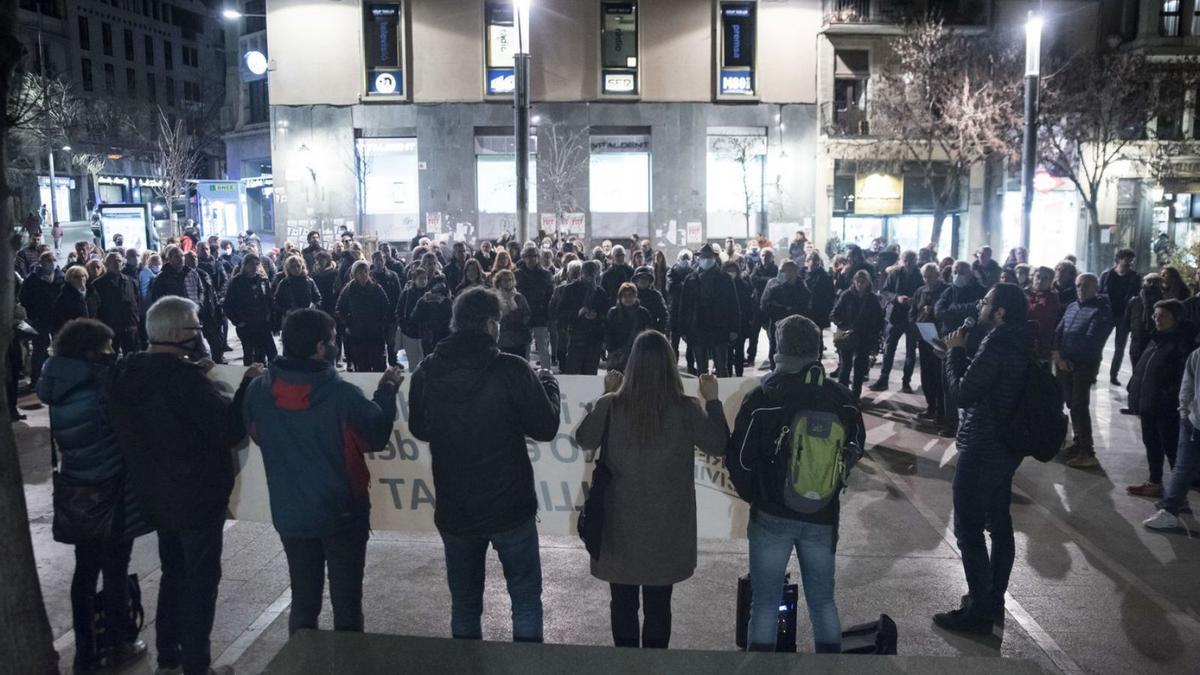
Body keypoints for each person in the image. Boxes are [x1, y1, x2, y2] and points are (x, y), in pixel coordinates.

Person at [108, 297, 261, 675]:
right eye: (196, 329)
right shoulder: (184, 379)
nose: (201, 336)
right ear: (178, 334)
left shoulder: (126, 374)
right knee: (200, 580)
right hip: (197, 495)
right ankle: (196, 664)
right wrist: (246, 386)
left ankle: (169, 656)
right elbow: (228, 429)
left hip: (154, 494)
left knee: (173, 572)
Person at [408, 287, 561, 643]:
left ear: (455, 323)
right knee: (524, 600)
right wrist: (549, 385)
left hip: (456, 506)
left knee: (464, 605)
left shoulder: (427, 371)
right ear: (491, 324)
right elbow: (546, 428)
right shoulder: (512, 369)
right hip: (510, 505)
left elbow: (419, 428)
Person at [244, 309, 402, 635]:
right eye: (332, 340)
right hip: (341, 514)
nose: (336, 345)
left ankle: (302, 663)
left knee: (303, 600)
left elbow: (258, 434)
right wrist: (387, 391)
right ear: (320, 347)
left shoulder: (259, 391)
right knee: (346, 603)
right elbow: (375, 437)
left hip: (290, 512)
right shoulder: (342, 396)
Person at [574, 332, 728, 648]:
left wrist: (606, 394)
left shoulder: (612, 405)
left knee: (622, 602)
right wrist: (712, 400)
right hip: (668, 525)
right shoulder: (686, 408)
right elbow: (718, 444)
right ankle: (654, 664)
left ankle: (627, 664)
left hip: (619, 524)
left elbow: (585, 440)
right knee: (659, 605)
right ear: (671, 366)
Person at [727, 315, 864, 653]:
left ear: (780, 347)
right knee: (823, 603)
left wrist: (755, 495)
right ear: (816, 348)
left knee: (765, 604)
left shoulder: (763, 396)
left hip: (771, 513)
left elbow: (741, 459)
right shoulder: (840, 397)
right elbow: (856, 445)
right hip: (822, 514)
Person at [39, 319, 150, 672]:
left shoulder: (58, 383)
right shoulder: (100, 384)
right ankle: (120, 642)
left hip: (77, 490)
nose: (113, 352)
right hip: (111, 489)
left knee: (84, 573)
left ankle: (85, 653)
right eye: (107, 347)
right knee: (116, 570)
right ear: (90, 352)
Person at [933, 283, 1031, 634]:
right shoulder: (1022, 340)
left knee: (969, 530)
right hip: (1006, 447)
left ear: (1000, 312)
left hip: (982, 446)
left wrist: (954, 353)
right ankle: (993, 598)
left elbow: (962, 393)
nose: (980, 306)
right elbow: (988, 382)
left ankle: (979, 611)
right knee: (999, 526)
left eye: (985, 302)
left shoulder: (999, 342)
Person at [1125, 300, 1193, 497]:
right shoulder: (1156, 338)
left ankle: (1179, 497)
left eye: (1162, 316)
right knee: (1151, 443)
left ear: (1176, 318)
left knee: (1172, 449)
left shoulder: (1182, 343)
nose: (1157, 320)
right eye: (1155, 316)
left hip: (1166, 407)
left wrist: (1168, 397)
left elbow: (1183, 377)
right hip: (1149, 404)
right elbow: (1143, 369)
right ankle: (1155, 482)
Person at [1054, 273, 1114, 469]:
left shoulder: (1101, 310)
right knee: (1071, 402)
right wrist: (1060, 356)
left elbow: (1092, 340)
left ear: (1095, 288)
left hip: (1083, 364)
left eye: (1086, 286)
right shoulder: (1072, 306)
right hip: (1064, 363)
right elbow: (1059, 331)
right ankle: (1078, 442)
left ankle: (1087, 450)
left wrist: (1070, 359)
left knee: (1080, 404)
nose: (1081, 289)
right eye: (1079, 285)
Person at [1144, 341, 1200, 530]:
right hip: (1194, 423)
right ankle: (1170, 511)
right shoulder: (1197, 355)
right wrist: (1184, 412)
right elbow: (1188, 384)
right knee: (1183, 467)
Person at [680, 245, 739, 377]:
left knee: (721, 367)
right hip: (698, 328)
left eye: (709, 256)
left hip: (719, 327)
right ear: (699, 258)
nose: (706, 259)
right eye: (703, 256)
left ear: (714, 258)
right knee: (701, 368)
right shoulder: (691, 279)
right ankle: (704, 395)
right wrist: (683, 329)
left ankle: (723, 395)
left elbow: (733, 305)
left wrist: (734, 328)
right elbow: (684, 307)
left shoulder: (725, 278)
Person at [872, 250, 923, 393]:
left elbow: (923, 293)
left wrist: (914, 301)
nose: (908, 262)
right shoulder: (894, 273)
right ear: (901, 260)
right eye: (906, 259)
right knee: (889, 349)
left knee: (910, 351)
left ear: (916, 260)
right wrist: (897, 298)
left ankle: (906, 381)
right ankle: (883, 379)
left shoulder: (919, 276)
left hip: (911, 317)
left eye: (912, 259)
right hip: (895, 315)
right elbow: (885, 291)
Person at [831, 270, 885, 399]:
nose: (860, 284)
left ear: (868, 283)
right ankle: (842, 395)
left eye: (863, 281)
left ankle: (855, 395)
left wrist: (877, 335)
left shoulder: (872, 298)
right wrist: (844, 326)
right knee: (845, 367)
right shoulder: (846, 295)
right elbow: (834, 314)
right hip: (848, 336)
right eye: (858, 281)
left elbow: (879, 319)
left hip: (864, 337)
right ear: (854, 281)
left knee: (860, 368)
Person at [337, 260, 392, 372]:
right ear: (354, 274)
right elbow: (339, 308)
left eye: (365, 272)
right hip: (357, 334)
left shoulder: (376, 288)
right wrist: (348, 323)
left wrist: (381, 323)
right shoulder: (349, 289)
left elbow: (386, 307)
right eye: (360, 272)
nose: (363, 275)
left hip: (375, 333)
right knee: (362, 366)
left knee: (379, 364)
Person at [224, 254, 278, 366]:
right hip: (246, 325)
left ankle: (271, 377)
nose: (254, 267)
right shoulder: (236, 282)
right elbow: (228, 305)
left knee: (270, 353)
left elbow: (269, 301)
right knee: (249, 355)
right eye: (251, 264)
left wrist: (271, 319)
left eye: (257, 264)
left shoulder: (262, 280)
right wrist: (238, 321)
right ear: (244, 265)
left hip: (263, 323)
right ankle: (250, 379)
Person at [558, 260, 610, 375]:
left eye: (592, 275)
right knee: (573, 372)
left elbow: (607, 315)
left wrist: (597, 316)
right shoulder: (570, 289)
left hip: (594, 337)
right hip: (576, 335)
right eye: (587, 274)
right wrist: (578, 313)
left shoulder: (600, 293)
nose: (589, 278)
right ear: (581, 273)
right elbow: (561, 312)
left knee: (590, 373)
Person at [910, 262, 947, 422]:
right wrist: (915, 325)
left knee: (939, 374)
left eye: (930, 276)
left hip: (940, 338)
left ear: (937, 275)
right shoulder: (920, 291)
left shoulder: (946, 291)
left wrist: (934, 312)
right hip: (924, 337)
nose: (927, 280)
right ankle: (930, 406)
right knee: (926, 374)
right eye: (925, 277)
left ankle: (941, 410)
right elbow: (912, 312)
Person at [1099, 249, 1142, 386]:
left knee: (1119, 348)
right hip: (1108, 314)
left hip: (1124, 316)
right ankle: (1093, 371)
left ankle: (1113, 375)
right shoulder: (1107, 274)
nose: (1129, 262)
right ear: (1119, 259)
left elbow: (1135, 296)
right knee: (1099, 344)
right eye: (1127, 259)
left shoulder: (1134, 277)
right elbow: (1100, 293)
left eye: (1131, 260)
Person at [20, 251, 63, 386]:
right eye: (48, 260)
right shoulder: (32, 279)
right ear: (41, 262)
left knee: (60, 349)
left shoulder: (60, 277)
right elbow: (24, 298)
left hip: (57, 319)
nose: (51, 263)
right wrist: (34, 316)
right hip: (40, 319)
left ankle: (59, 378)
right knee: (39, 349)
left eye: (53, 260)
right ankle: (36, 379)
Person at [760, 260, 811, 370]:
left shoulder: (801, 286)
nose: (781, 273)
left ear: (794, 272)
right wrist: (782, 308)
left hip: (796, 327)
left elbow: (804, 306)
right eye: (780, 270)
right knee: (775, 351)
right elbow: (765, 304)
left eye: (784, 270)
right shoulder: (773, 284)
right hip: (777, 325)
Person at [88, 253, 141, 356]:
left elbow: (136, 301)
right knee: (109, 358)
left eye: (119, 261)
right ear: (106, 264)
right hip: (109, 327)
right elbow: (94, 308)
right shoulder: (97, 284)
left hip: (129, 325)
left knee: (133, 358)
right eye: (113, 261)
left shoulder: (131, 281)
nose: (117, 264)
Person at [516, 245, 555, 368]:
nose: (531, 259)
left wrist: (549, 315)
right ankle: (525, 372)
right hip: (523, 315)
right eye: (528, 256)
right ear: (523, 257)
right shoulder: (517, 274)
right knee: (524, 347)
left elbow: (550, 296)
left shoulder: (546, 274)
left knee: (543, 346)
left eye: (534, 256)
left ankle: (546, 372)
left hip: (540, 314)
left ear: (538, 257)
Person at [604, 283, 653, 372]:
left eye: (630, 295)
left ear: (636, 296)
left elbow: (648, 333)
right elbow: (607, 332)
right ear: (620, 297)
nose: (628, 298)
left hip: (638, 354)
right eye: (625, 295)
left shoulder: (643, 313)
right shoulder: (613, 313)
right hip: (617, 354)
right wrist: (611, 349)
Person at [370, 251, 404, 366]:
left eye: (381, 259)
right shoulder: (370, 277)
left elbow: (399, 294)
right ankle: (381, 362)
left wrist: (397, 312)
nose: (379, 262)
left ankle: (393, 361)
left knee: (391, 341)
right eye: (376, 260)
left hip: (391, 314)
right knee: (379, 341)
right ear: (373, 262)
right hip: (376, 316)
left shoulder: (392, 275)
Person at [494, 268, 532, 359]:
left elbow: (527, 314)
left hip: (518, 338)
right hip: (502, 339)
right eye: (505, 280)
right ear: (499, 281)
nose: (508, 282)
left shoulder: (519, 297)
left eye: (510, 279)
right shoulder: (494, 298)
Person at [1026, 266, 1061, 363]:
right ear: (1032, 277)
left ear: (1051, 281)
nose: (1040, 281)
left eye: (1045, 278)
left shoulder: (1052, 298)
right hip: (1022, 342)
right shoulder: (1024, 293)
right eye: (1038, 277)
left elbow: (1039, 314)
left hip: (1042, 345)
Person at [1128, 274, 1165, 367]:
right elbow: (1127, 322)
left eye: (1156, 282)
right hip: (1139, 340)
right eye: (1149, 281)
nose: (1152, 285)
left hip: (1152, 340)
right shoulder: (1135, 301)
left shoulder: (1164, 303)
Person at [411, 278, 453, 357]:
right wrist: (423, 301)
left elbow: (453, 320)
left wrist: (444, 302)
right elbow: (414, 318)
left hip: (445, 339)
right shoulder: (424, 301)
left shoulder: (448, 302)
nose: (437, 295)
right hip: (428, 339)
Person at [397, 267, 430, 366]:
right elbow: (399, 312)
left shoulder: (431, 294)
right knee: (413, 363)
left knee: (426, 363)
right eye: (420, 279)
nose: (423, 281)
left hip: (426, 335)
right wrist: (405, 327)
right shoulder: (406, 294)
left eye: (425, 278)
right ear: (414, 280)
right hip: (411, 334)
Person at [666, 251, 693, 368]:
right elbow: (670, 287)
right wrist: (685, 286)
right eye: (683, 258)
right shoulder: (672, 271)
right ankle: (673, 365)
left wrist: (681, 286)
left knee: (690, 342)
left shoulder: (692, 272)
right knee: (674, 342)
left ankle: (691, 365)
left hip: (689, 312)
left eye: (687, 258)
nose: (686, 260)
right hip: (675, 311)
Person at [53, 266, 91, 332]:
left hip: (93, 332)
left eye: (83, 276)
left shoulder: (92, 292)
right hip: (75, 333)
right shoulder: (64, 297)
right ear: (70, 279)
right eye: (76, 277)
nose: (81, 278)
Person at [632, 266, 668, 334]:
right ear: (636, 280)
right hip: (632, 333)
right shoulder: (630, 294)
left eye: (646, 279)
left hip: (651, 332)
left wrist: (658, 331)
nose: (643, 281)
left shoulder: (656, 295)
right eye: (641, 278)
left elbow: (664, 315)